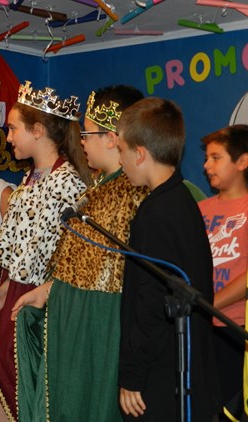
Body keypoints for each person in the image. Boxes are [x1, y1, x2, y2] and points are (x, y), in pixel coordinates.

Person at [11, 85, 147, 421]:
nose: (81, 141)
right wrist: (49, 289)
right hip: (74, 314)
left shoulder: (134, 193)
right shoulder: (97, 189)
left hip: (101, 320)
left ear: (112, 139)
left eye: (87, 133)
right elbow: (75, 261)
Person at [0, 81, 93, 421]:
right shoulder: (31, 178)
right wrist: (4, 288)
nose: (8, 137)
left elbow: (65, 252)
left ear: (38, 131)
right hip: (15, 287)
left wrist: (19, 288)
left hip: (38, 295)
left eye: (13, 129)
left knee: (7, 392)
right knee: (0, 392)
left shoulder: (66, 182)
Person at [116, 97, 220, 421]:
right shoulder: (181, 200)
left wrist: (132, 374)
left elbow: (152, 304)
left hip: (162, 376)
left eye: (120, 150)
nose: (120, 160)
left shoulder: (156, 214)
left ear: (139, 154)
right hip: (181, 367)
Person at [198, 125, 248, 419]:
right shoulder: (199, 209)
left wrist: (211, 303)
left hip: (235, 328)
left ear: (242, 161)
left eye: (216, 158)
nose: (207, 165)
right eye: (206, 158)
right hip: (200, 327)